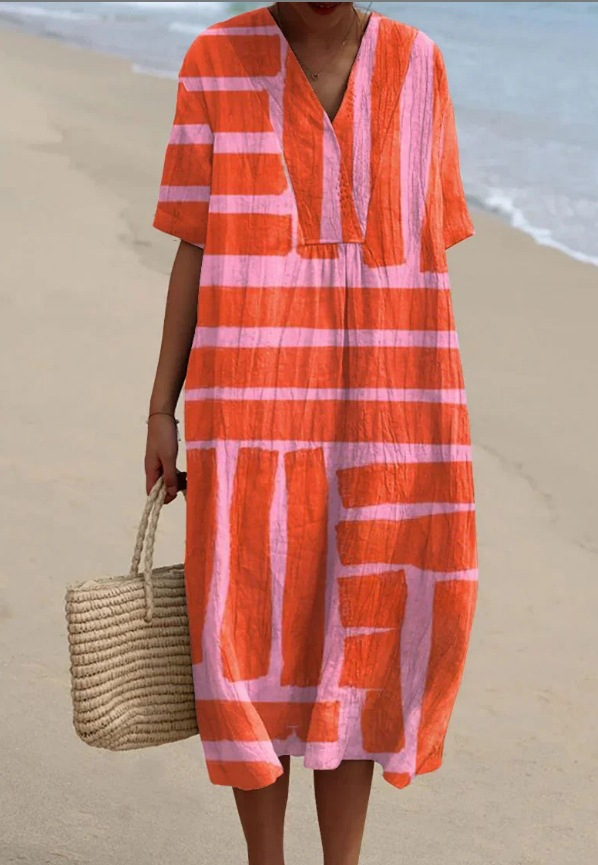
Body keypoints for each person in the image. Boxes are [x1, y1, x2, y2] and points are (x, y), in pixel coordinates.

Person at [145, 2, 478, 864]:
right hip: (249, 413)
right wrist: (160, 408)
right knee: (246, 636)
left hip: (384, 415)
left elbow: (427, 244)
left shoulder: (419, 65)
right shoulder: (216, 59)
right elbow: (194, 244)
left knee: (359, 640)